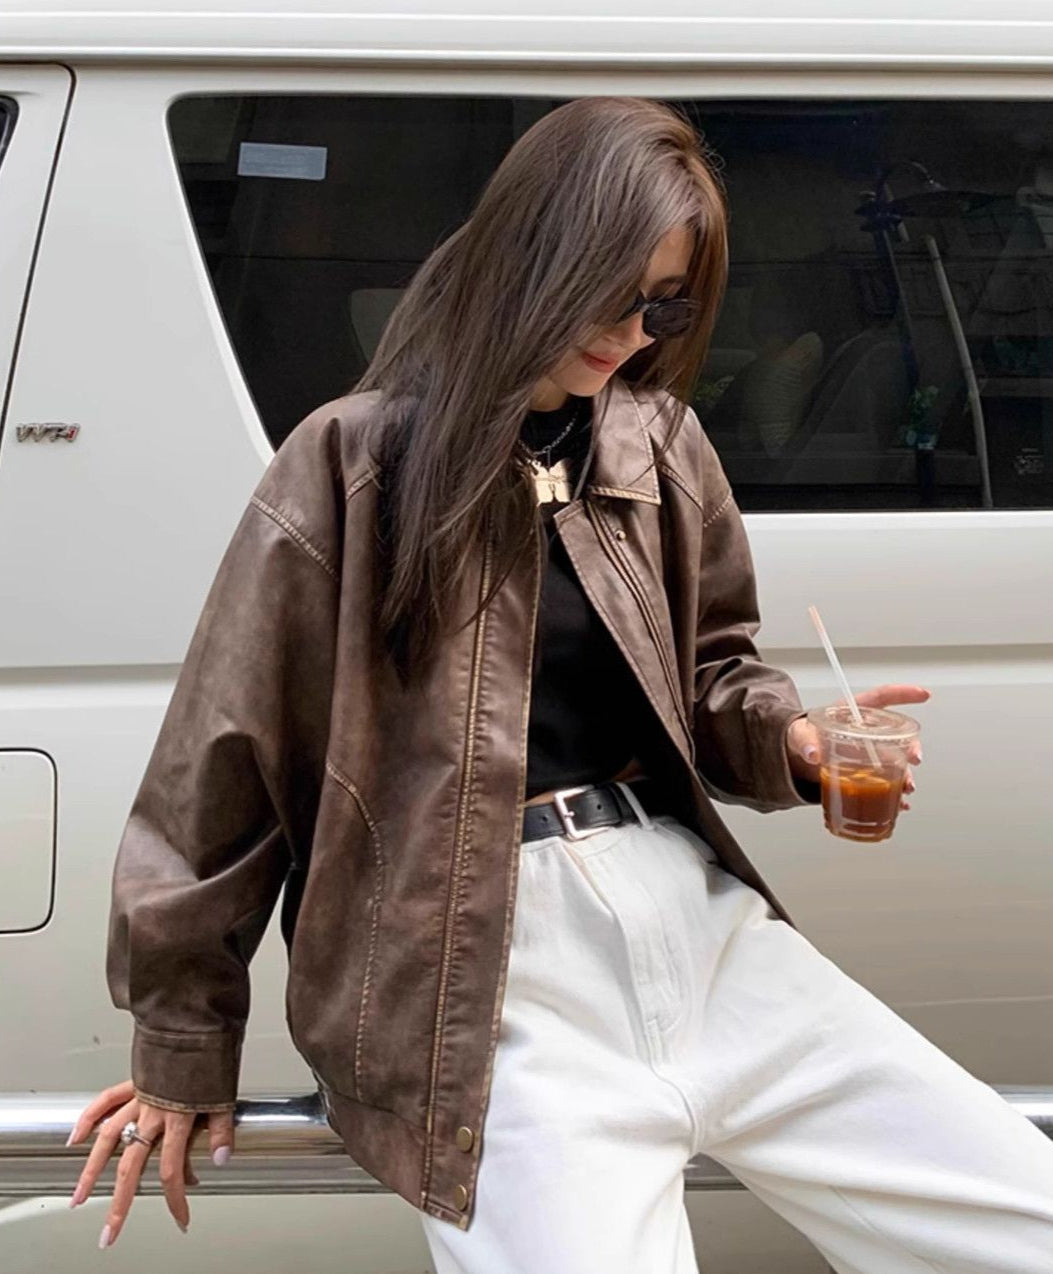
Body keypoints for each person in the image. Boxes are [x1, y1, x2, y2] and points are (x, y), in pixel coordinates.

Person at [67, 97, 1053, 1270]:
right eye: (609, 288)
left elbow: (712, 667)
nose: (631, 330)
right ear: (531, 254)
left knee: (1023, 1217)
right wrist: (182, 1045)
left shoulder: (660, 445)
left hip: (701, 924)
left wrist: (789, 738)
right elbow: (224, 762)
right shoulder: (350, 461)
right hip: (486, 971)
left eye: (664, 303)